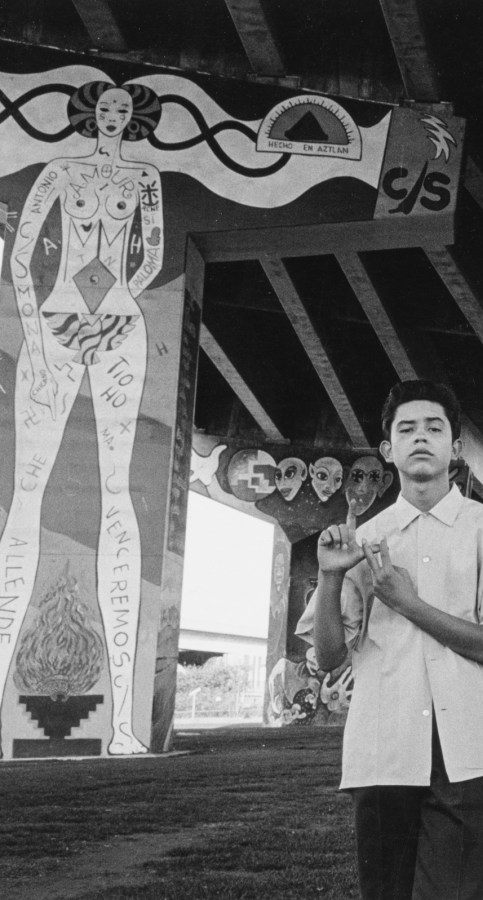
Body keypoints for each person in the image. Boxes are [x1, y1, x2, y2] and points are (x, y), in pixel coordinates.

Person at [298, 380, 483, 900]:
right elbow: (330, 657)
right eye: (406, 429)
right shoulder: (363, 539)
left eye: (434, 427)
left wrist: (407, 603)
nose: (420, 437)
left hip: (466, 747)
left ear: (455, 447)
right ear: (388, 451)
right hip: (383, 744)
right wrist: (331, 577)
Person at [0, 80, 163, 756]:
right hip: (58, 321)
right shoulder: (59, 171)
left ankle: (124, 723)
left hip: (116, 323)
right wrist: (40, 331)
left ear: (136, 119)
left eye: (126, 111)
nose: (115, 117)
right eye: (106, 108)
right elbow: (20, 255)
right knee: (26, 491)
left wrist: (113, 305)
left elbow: (149, 254)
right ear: (90, 112)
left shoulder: (146, 177)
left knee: (120, 493)